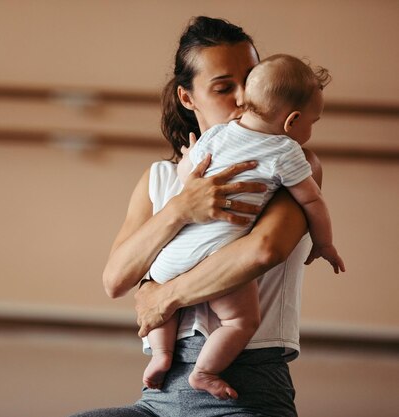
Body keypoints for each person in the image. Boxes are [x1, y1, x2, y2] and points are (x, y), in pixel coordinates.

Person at [70, 16, 326, 417]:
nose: (244, 98)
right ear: (188, 98)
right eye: (224, 87)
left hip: (246, 397)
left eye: (251, 80)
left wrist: (165, 294)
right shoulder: (159, 178)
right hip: (158, 400)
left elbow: (263, 250)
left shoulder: (292, 164)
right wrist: (180, 208)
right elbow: (115, 279)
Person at [143, 53, 345, 400]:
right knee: (239, 322)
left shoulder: (217, 135)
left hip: (174, 253)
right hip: (218, 256)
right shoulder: (287, 151)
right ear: (292, 120)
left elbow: (186, 175)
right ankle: (204, 372)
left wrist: (190, 174)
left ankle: (161, 355)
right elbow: (313, 202)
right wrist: (323, 243)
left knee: (158, 292)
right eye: (313, 122)